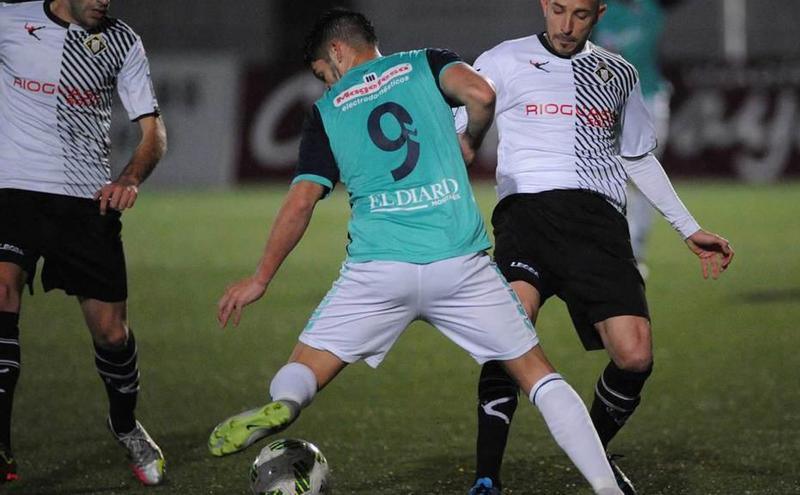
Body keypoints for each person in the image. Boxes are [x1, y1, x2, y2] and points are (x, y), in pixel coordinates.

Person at [208, 8, 624, 495]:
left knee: (304, 366)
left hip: (377, 270)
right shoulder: (426, 63)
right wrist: (470, 137)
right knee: (537, 375)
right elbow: (482, 94)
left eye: (324, 74)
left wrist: (260, 278)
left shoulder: (326, 112)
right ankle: (606, 488)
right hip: (459, 264)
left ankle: (287, 402)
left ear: (338, 52)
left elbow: (301, 201)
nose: (327, 83)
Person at [454, 1, 734, 494]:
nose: (566, 25)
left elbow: (638, 157)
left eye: (580, 14)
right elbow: (459, 137)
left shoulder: (618, 72)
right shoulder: (500, 60)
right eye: (558, 9)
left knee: (635, 356)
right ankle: (486, 477)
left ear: (599, 13)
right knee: (507, 337)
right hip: (527, 218)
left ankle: (592, 455)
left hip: (598, 224)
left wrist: (688, 227)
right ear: (544, 4)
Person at [0, 0, 166, 486]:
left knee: (112, 334)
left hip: (85, 200)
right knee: (2, 289)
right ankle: (1, 444)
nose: (104, 1)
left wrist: (131, 177)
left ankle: (123, 423)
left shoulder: (122, 41)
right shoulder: (10, 19)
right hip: (14, 191)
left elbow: (153, 133)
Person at [592, 0, 684, 277]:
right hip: (610, 101)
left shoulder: (651, 7)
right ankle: (613, 247)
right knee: (608, 176)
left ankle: (635, 251)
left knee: (644, 177)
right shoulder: (598, 10)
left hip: (650, 98)